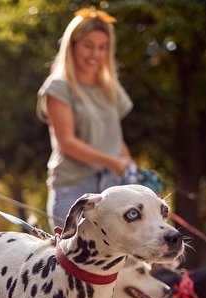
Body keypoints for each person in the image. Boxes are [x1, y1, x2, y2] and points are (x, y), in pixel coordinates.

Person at [37, 7, 134, 226]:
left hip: (112, 187)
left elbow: (114, 138)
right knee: (74, 260)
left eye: (102, 47)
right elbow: (67, 142)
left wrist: (132, 170)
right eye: (88, 46)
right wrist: (113, 161)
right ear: (72, 46)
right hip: (74, 189)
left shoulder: (110, 88)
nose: (95, 54)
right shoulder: (58, 88)